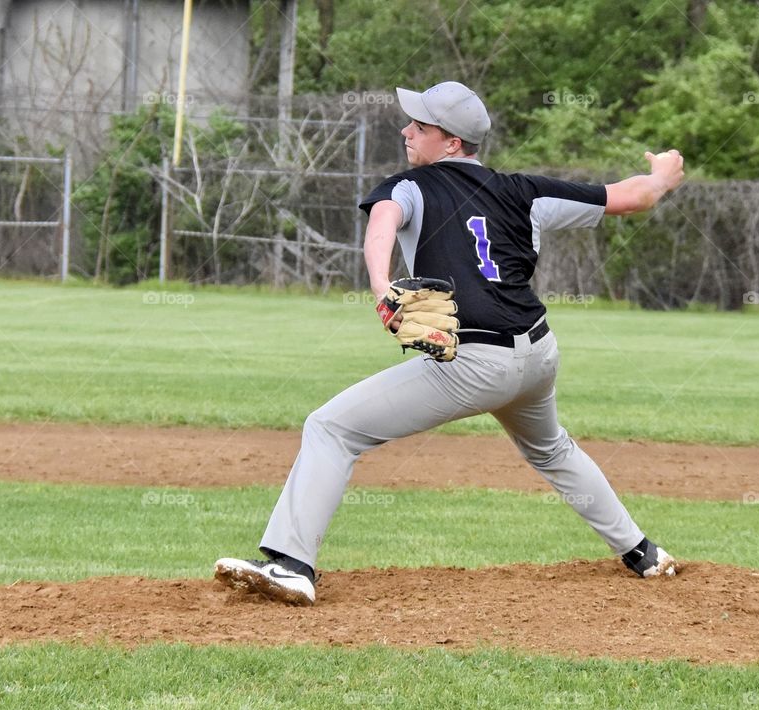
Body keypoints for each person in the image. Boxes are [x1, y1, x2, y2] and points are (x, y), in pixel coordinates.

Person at [215, 81, 684, 606]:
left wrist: (380, 286)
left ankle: (291, 564)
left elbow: (383, 222)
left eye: (420, 126)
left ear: (453, 142)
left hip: (474, 364)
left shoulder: (413, 186)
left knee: (331, 427)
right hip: (537, 354)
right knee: (552, 450)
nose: (406, 131)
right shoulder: (524, 191)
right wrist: (662, 175)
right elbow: (634, 196)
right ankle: (643, 552)